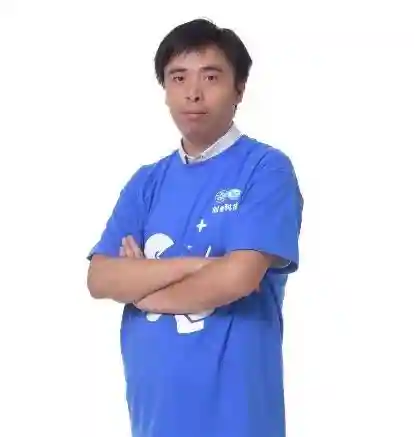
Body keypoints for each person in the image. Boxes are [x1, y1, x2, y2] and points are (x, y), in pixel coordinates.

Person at [87, 18, 303, 437]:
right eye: (178, 77)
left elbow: (239, 279)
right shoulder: (147, 182)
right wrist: (201, 266)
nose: (193, 92)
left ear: (240, 89)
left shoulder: (265, 169)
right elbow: (100, 278)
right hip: (154, 416)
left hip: (236, 417)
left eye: (211, 76)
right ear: (165, 90)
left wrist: (142, 290)